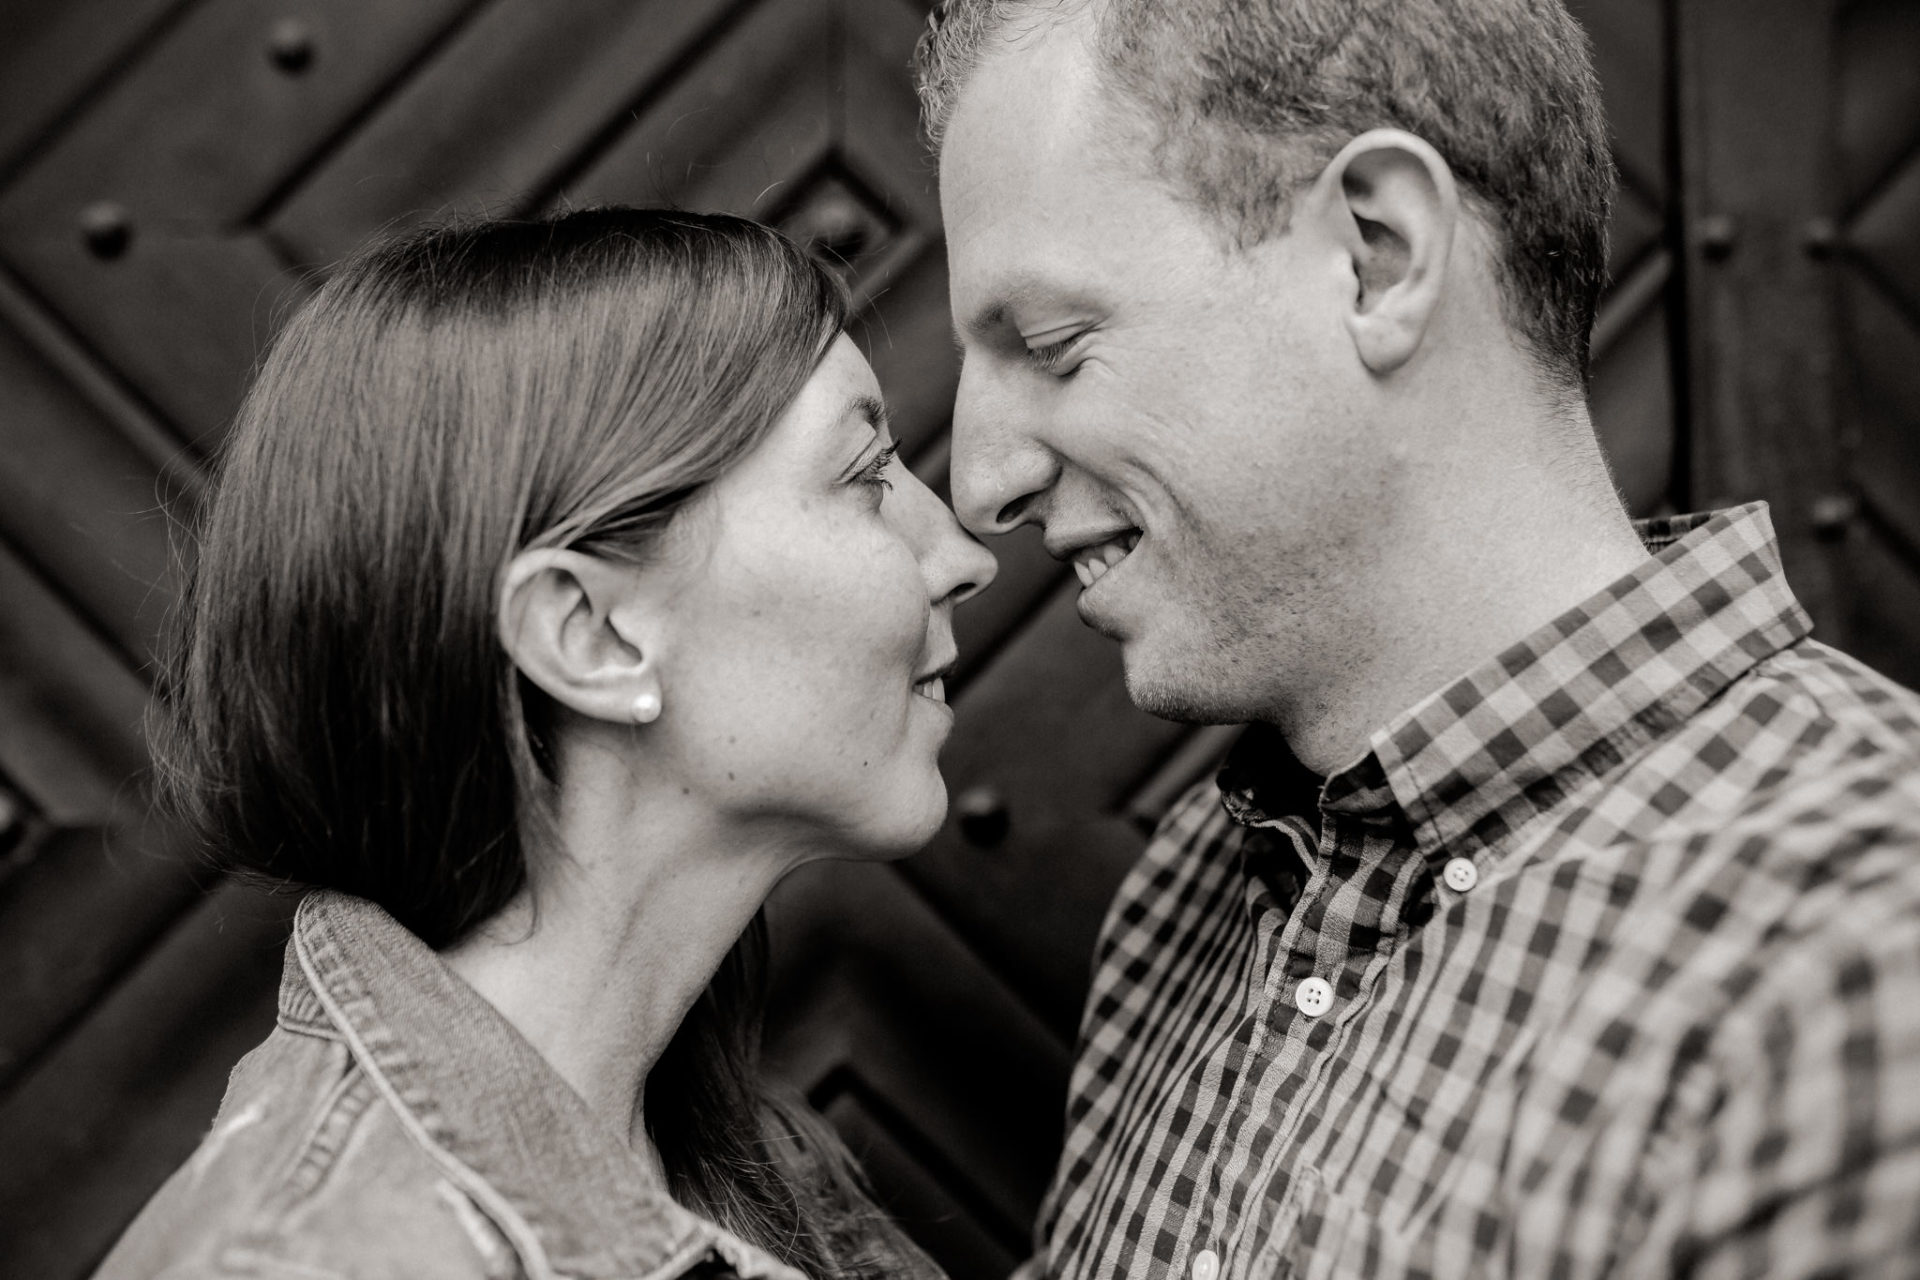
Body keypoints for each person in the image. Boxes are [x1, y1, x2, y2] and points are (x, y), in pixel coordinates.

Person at [917, 2, 1920, 1277]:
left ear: (1376, 255)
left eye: (1054, 345)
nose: (981, 485)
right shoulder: (1188, 894)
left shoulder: (1861, 953)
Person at [97, 208, 992, 1280]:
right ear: (588, 633)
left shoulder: (716, 1152)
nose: (962, 555)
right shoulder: (326, 1263)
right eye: (866, 475)